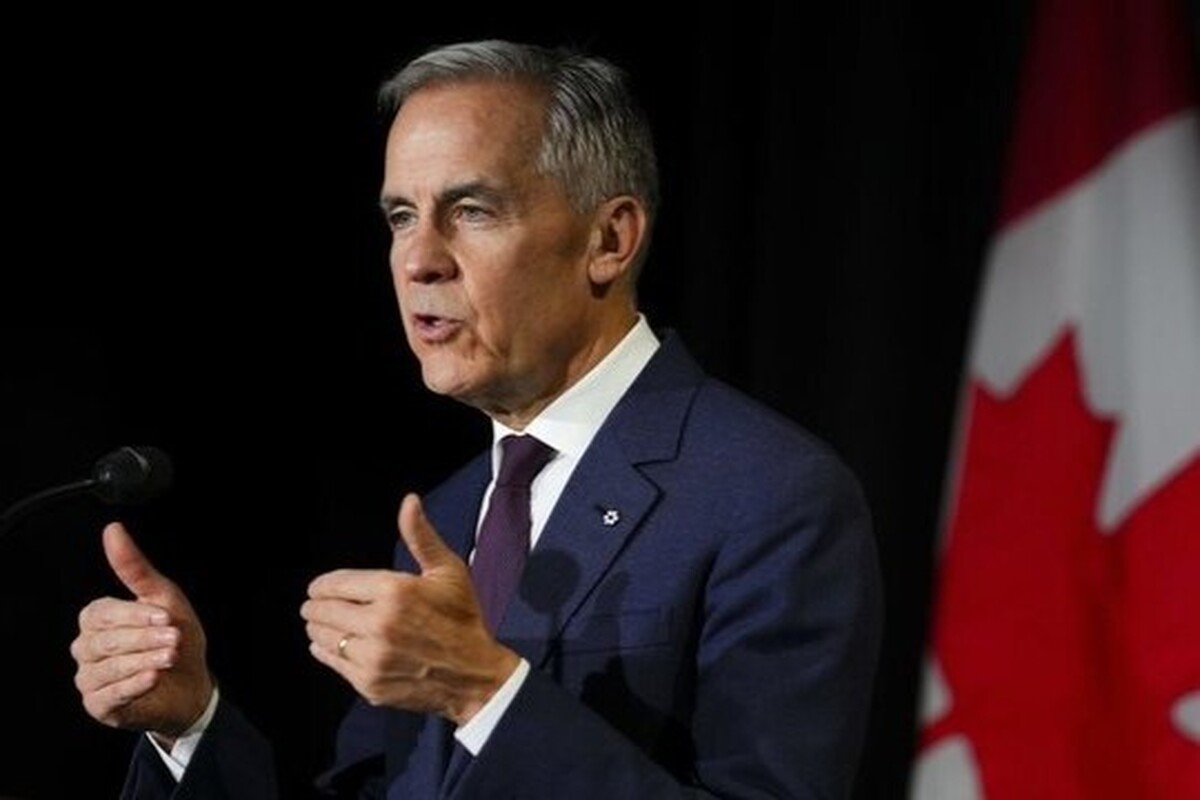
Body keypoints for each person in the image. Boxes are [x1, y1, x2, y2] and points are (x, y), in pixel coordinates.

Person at [69, 39, 884, 798]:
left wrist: (482, 690)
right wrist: (192, 724)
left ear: (609, 239)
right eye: (401, 216)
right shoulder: (451, 514)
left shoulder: (771, 495)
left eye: (472, 210)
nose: (420, 259)